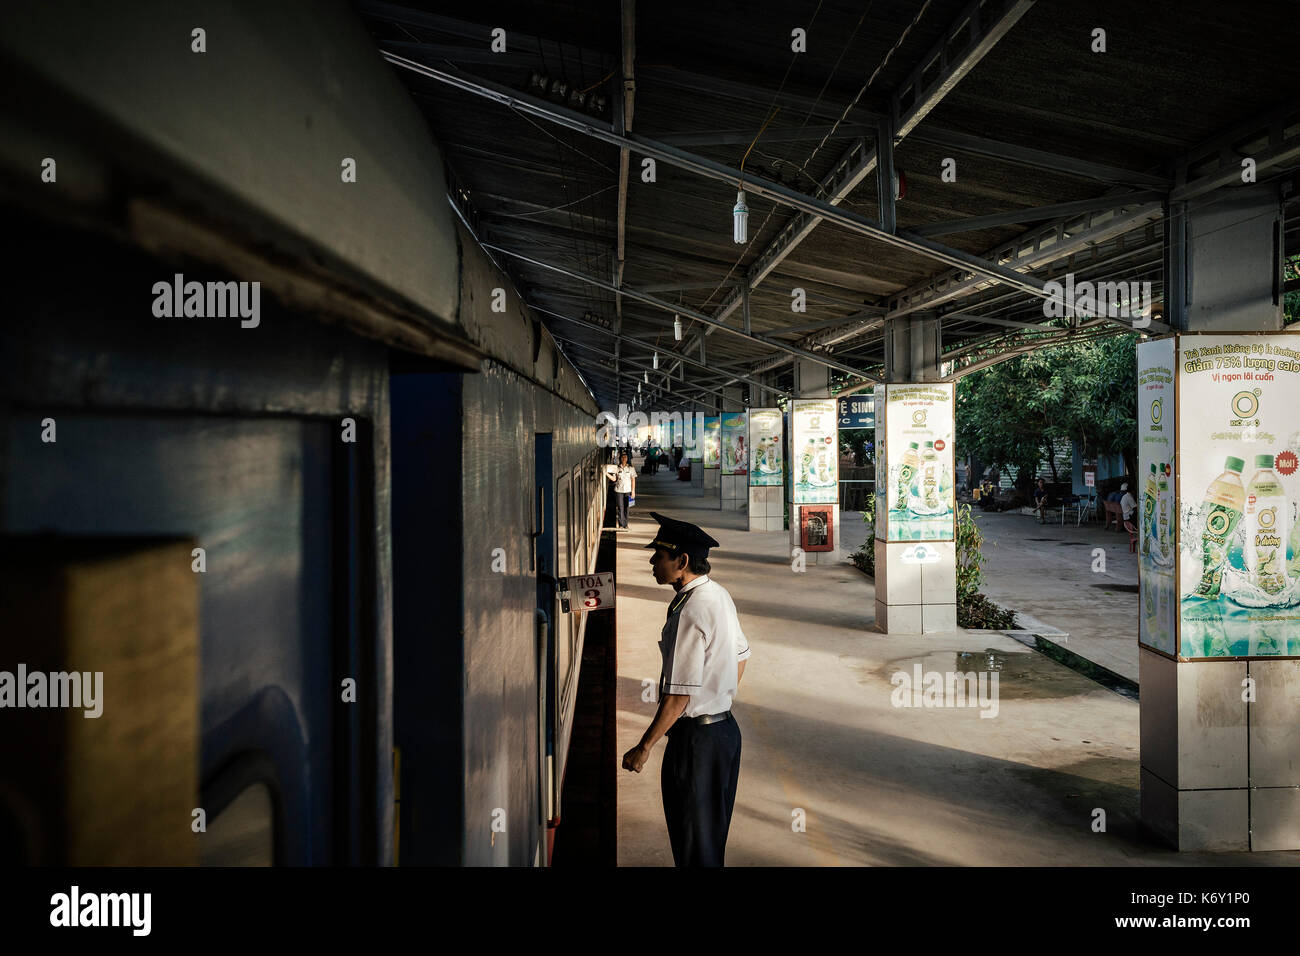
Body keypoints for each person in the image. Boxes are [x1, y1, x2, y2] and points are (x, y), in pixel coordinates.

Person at [622, 512, 750, 867]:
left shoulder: (690, 611)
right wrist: (716, 694)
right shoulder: (717, 595)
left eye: (659, 555)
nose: (651, 560)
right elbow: (741, 656)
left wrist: (643, 747)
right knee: (709, 838)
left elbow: (678, 697)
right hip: (724, 732)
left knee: (694, 844)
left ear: (682, 562)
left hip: (697, 743)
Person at [605, 450, 637, 530]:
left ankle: (626, 524)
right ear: (620, 458)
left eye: (625, 457)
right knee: (620, 508)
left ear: (627, 458)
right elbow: (614, 479)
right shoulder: (617, 468)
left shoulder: (631, 468)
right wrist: (606, 473)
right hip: (618, 491)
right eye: (622, 457)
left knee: (626, 508)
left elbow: (633, 480)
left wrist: (633, 491)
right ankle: (620, 524)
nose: (624, 458)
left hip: (628, 491)